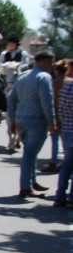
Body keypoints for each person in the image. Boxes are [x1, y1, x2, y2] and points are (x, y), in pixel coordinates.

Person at [7, 51, 57, 199]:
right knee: (30, 154)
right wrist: (51, 122)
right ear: (46, 62)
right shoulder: (44, 77)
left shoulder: (23, 75)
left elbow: (11, 98)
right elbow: (47, 102)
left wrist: (12, 119)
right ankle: (26, 187)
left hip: (21, 118)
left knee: (30, 152)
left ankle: (32, 181)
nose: (51, 66)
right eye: (51, 63)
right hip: (36, 119)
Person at [44, 60, 71, 173]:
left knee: (54, 140)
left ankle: (54, 162)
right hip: (68, 115)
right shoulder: (70, 82)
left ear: (56, 71)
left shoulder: (53, 83)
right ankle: (66, 162)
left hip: (55, 113)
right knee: (67, 143)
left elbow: (49, 100)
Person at [54, 71, 73, 207]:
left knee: (67, 164)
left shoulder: (66, 88)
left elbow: (60, 110)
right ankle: (72, 198)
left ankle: (60, 195)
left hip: (67, 129)